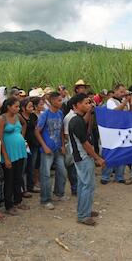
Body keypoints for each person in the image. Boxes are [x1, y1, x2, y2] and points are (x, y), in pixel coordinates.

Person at [68, 93, 106, 225]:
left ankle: (85, 210)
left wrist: (89, 112)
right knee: (86, 185)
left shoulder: (77, 119)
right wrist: (98, 158)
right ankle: (83, 215)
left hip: (82, 156)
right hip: (83, 156)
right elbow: (85, 143)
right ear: (76, 105)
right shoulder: (75, 121)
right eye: (85, 103)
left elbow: (84, 123)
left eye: (89, 103)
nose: (88, 105)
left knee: (85, 185)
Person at [34, 92, 67, 210]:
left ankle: (59, 193)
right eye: (58, 100)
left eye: (61, 100)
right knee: (46, 174)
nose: (61, 102)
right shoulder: (45, 115)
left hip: (57, 147)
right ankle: (45, 199)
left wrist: (63, 145)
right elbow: (37, 131)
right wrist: (44, 145)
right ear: (52, 101)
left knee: (62, 171)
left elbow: (61, 130)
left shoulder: (60, 113)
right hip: (47, 149)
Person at [0, 97, 29, 216]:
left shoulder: (18, 117)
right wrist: (5, 157)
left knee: (18, 177)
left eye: (18, 106)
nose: (18, 108)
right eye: (15, 106)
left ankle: (18, 201)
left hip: (19, 151)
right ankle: (9, 205)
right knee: (9, 179)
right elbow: (0, 139)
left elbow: (25, 124)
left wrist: (21, 137)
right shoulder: (1, 119)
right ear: (8, 106)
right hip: (9, 152)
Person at [101, 84, 132, 184]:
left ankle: (119, 176)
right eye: (121, 92)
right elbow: (115, 112)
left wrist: (130, 102)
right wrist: (125, 101)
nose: (123, 94)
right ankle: (105, 176)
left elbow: (131, 112)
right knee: (111, 153)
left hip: (123, 130)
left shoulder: (124, 101)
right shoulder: (111, 101)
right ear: (115, 91)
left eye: (124, 92)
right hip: (112, 131)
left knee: (122, 153)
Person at [19, 98, 38, 196]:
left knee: (32, 166)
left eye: (32, 106)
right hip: (24, 145)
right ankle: (23, 189)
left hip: (33, 144)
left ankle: (31, 185)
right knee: (23, 167)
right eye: (29, 106)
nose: (32, 108)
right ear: (23, 108)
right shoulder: (19, 117)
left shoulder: (33, 116)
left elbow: (36, 129)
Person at [63, 99, 78, 196]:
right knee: (72, 167)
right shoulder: (69, 117)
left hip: (77, 145)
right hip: (72, 146)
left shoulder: (77, 116)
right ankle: (75, 188)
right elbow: (66, 134)